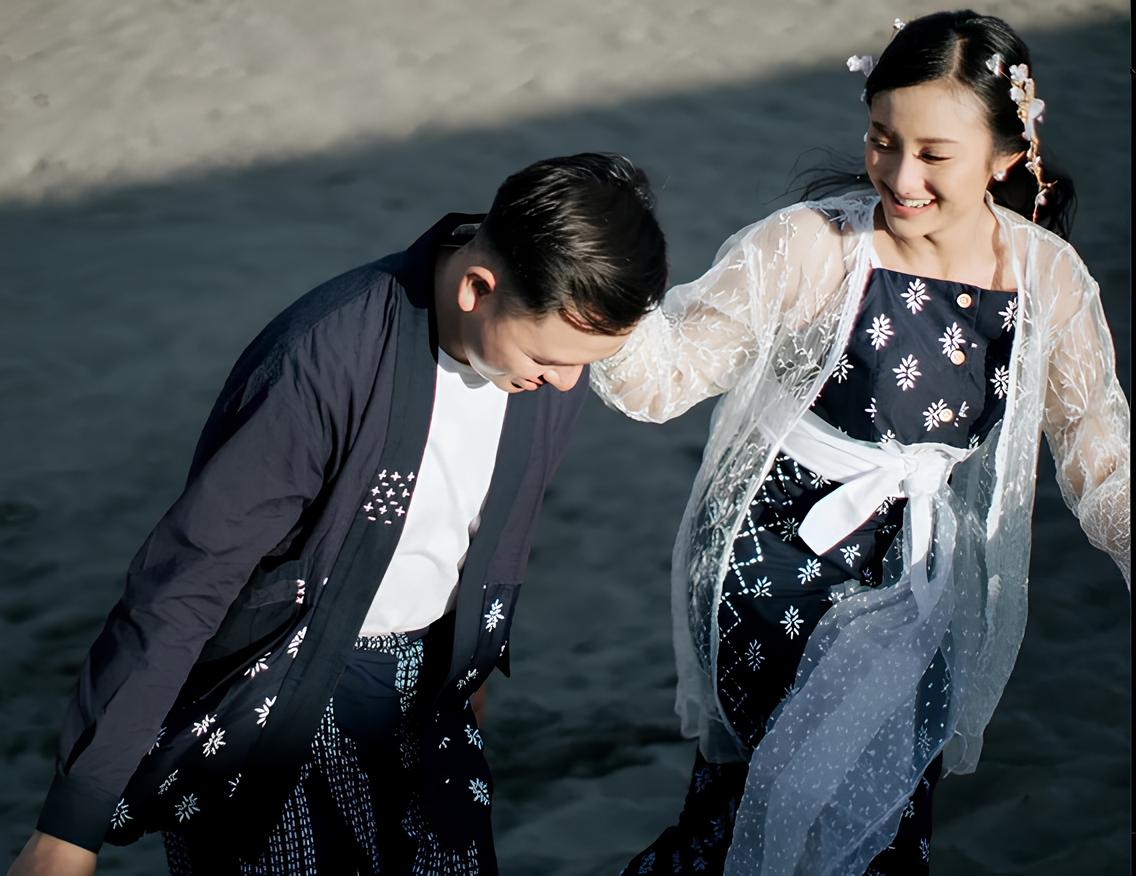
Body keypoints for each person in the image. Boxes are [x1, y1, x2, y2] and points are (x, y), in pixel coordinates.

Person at [8, 152, 668, 876]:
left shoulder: (548, 365)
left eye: (587, 362)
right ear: (480, 288)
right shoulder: (323, 359)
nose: (569, 383)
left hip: (431, 706)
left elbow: (490, 545)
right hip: (274, 702)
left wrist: (470, 687)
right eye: (553, 357)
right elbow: (184, 583)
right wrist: (70, 826)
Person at [590, 11, 1129, 875]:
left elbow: (1103, 462)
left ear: (1004, 156)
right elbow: (668, 373)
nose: (900, 176)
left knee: (863, 824)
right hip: (777, 566)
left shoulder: (1048, 279)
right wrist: (591, 290)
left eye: (933, 154)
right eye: (883, 140)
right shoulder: (818, 245)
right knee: (793, 812)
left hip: (919, 580)